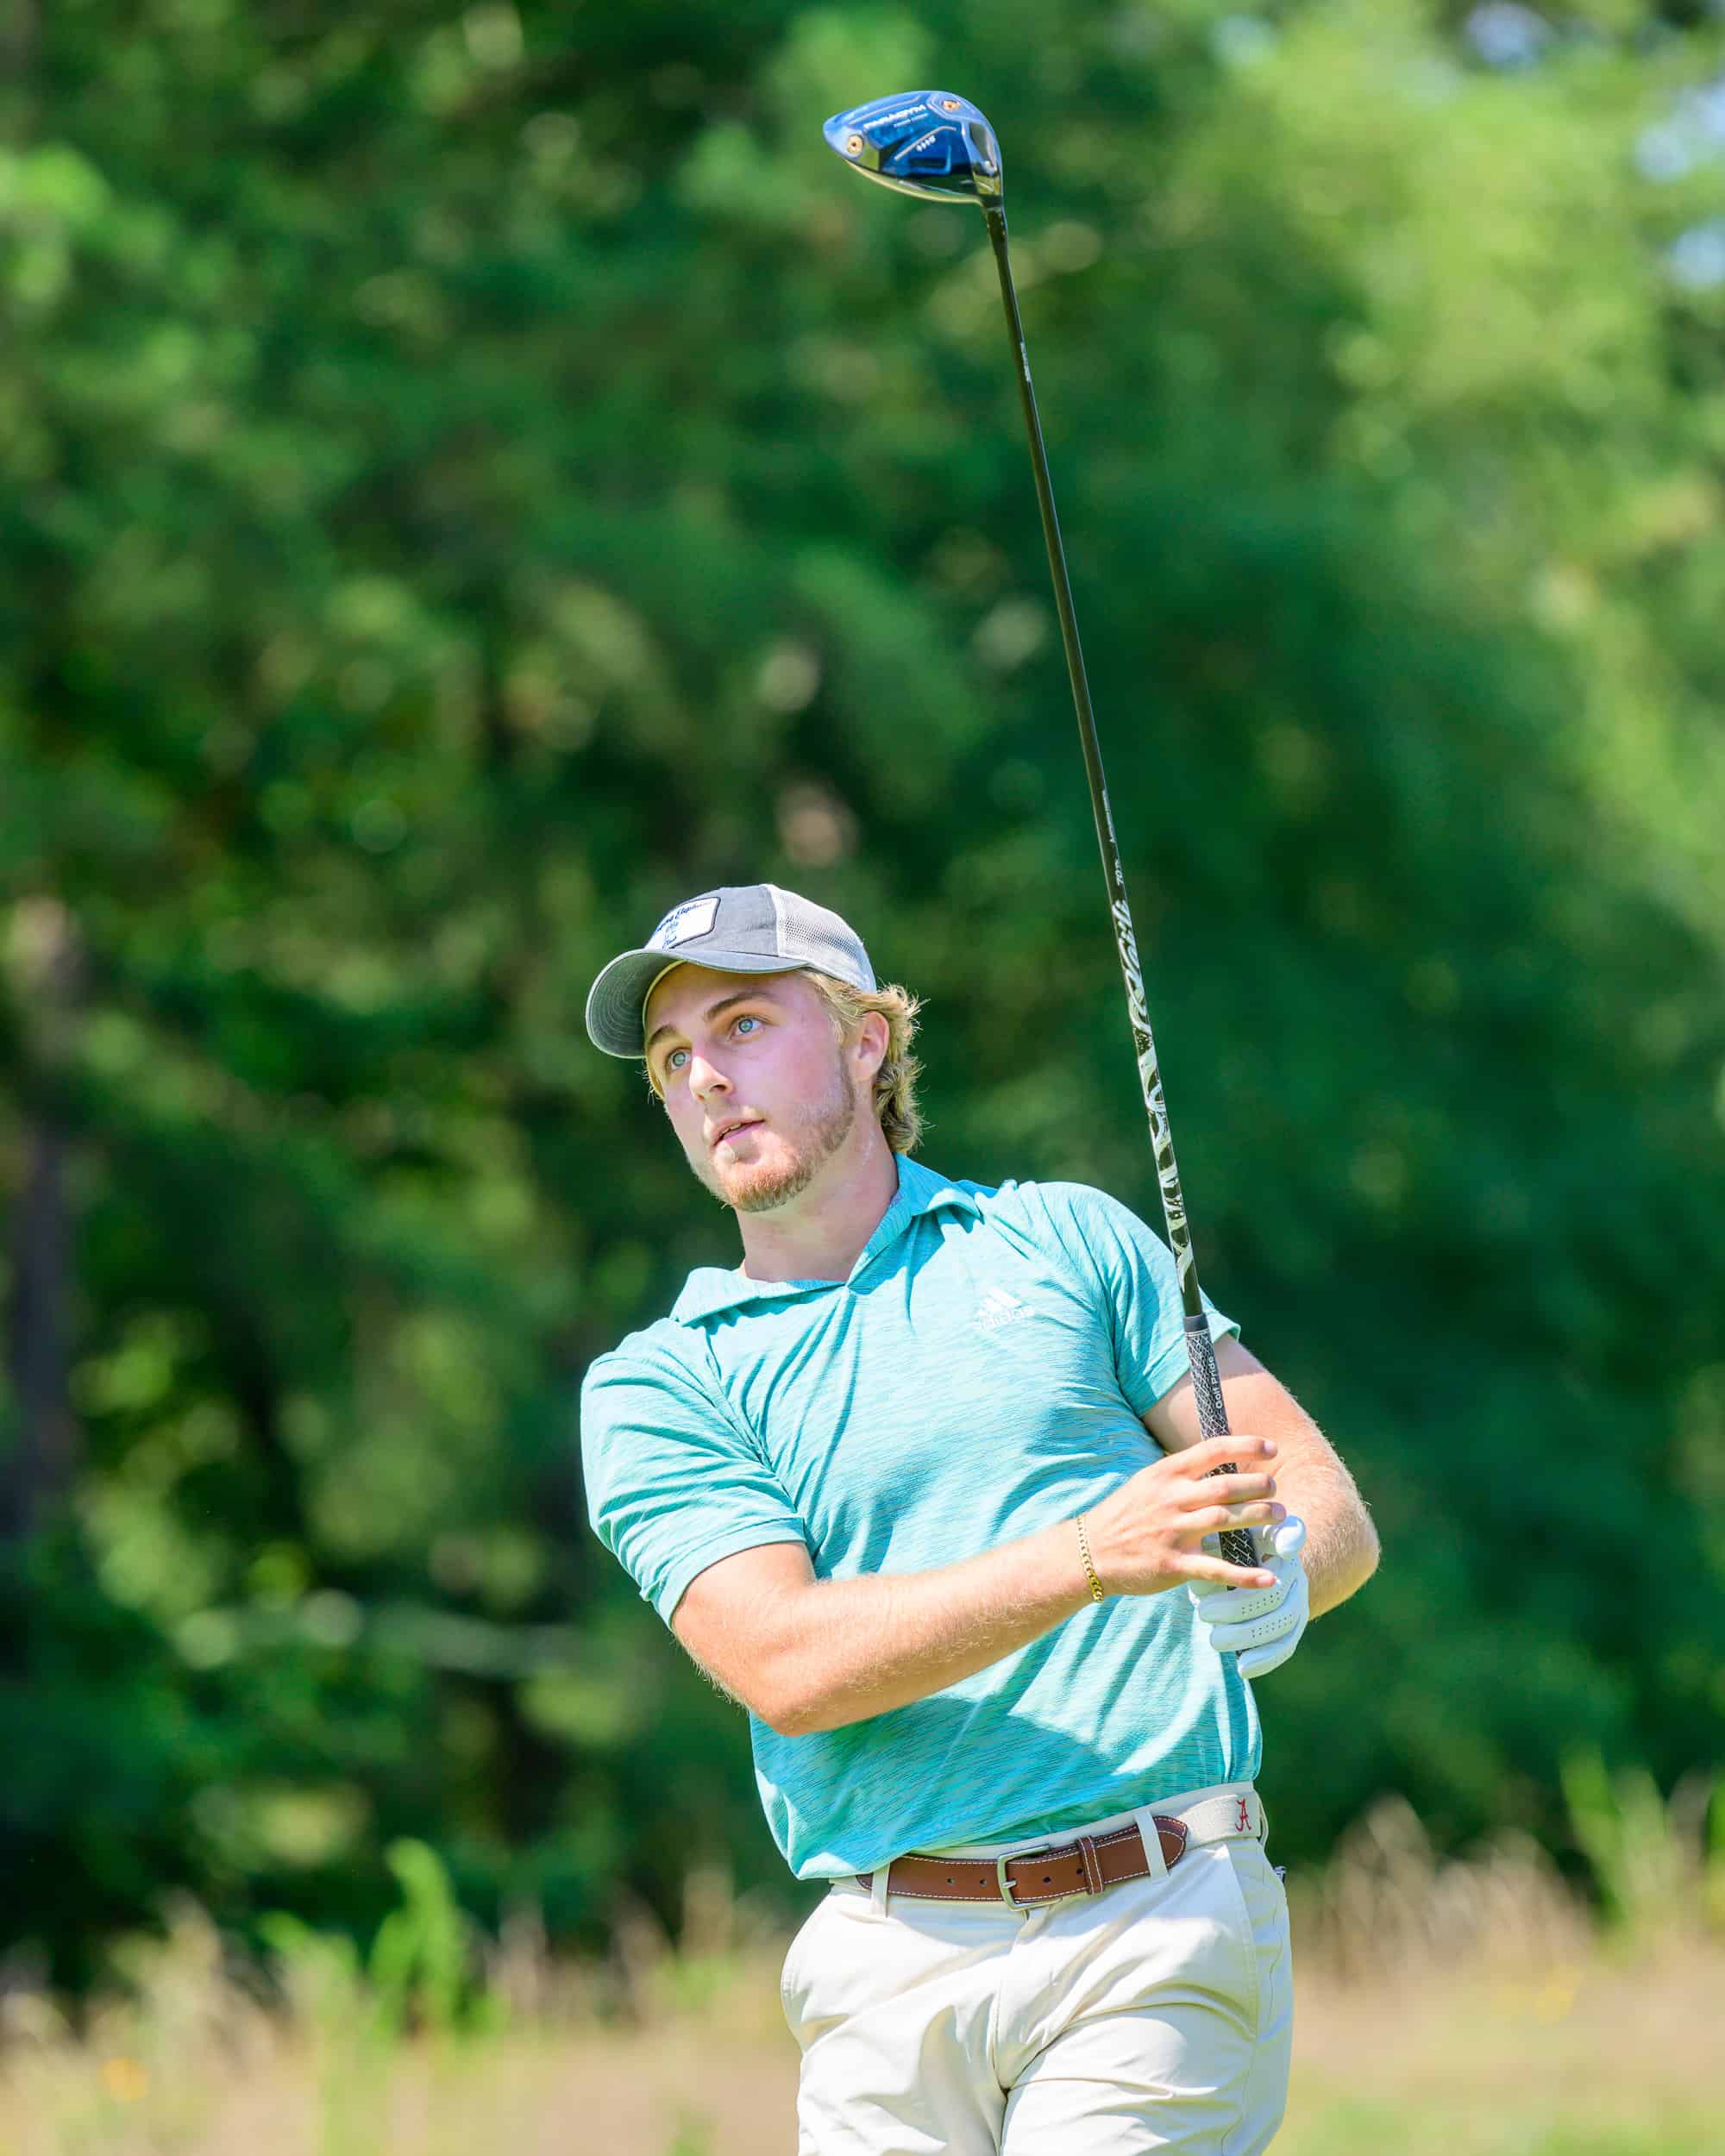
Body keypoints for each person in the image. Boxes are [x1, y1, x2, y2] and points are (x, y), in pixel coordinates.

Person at [579, 882, 1379, 2155]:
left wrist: (1288, 1563)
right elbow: (788, 1665)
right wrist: (1086, 1560)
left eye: (741, 1027)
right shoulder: (658, 1383)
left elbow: (1317, 1496)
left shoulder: (1064, 1241)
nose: (706, 1080)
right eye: (674, 1059)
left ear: (863, 1039)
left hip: (1156, 1914)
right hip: (883, 1966)